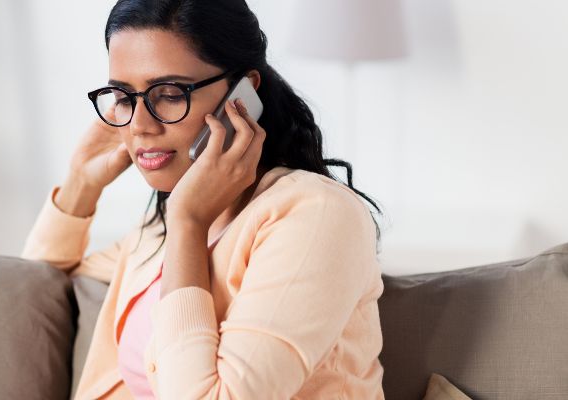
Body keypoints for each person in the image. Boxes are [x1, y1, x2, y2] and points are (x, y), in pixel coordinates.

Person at [21, 0, 386, 398]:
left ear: (243, 93)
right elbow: (35, 295)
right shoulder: (157, 227)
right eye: (124, 97)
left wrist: (189, 225)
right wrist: (80, 186)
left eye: (170, 93)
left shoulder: (315, 215)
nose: (140, 126)